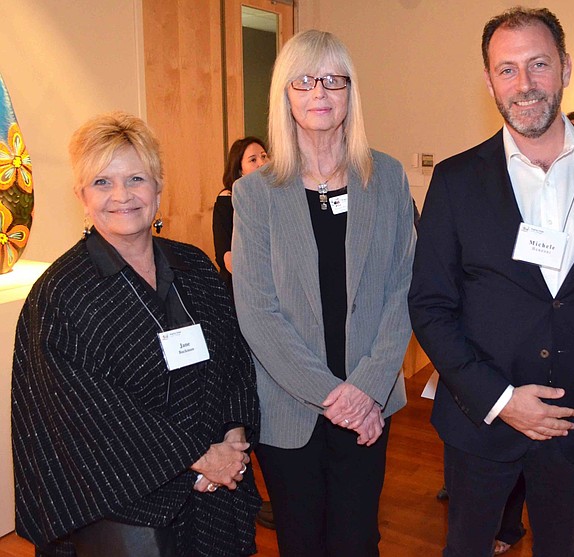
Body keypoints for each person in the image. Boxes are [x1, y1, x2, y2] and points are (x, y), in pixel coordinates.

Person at [408, 7, 574, 557]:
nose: (524, 84)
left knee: (561, 545)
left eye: (538, 64)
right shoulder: (456, 180)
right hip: (480, 421)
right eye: (507, 69)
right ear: (489, 81)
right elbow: (430, 306)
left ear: (566, 68)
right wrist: (501, 399)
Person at [11, 111, 260, 557]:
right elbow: (82, 415)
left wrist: (232, 441)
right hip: (126, 507)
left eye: (136, 179)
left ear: (158, 188)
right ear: (82, 197)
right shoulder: (61, 295)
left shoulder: (194, 266)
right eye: (102, 182)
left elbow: (235, 361)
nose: (122, 196)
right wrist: (197, 458)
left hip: (214, 492)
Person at [231, 29, 415, 557]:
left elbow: (404, 289)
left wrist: (366, 390)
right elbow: (258, 312)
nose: (320, 92)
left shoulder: (387, 177)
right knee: (302, 541)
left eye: (334, 80)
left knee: (358, 540)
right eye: (305, 81)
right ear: (285, 94)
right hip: (290, 406)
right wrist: (336, 398)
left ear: (351, 91)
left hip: (370, 400)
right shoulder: (255, 193)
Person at [212, 136, 268, 294]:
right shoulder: (227, 199)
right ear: (239, 170)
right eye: (253, 160)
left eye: (264, 156)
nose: (262, 163)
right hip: (242, 286)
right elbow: (226, 255)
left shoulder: (273, 196)